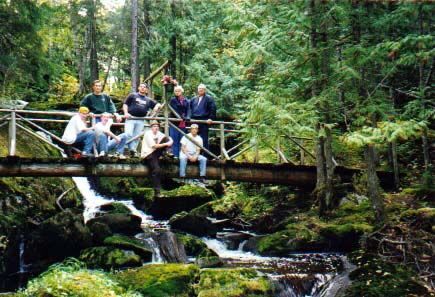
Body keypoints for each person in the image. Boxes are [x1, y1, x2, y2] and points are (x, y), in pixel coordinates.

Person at [123, 82, 161, 157]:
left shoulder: (148, 99)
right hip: (131, 118)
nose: (143, 88)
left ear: (146, 90)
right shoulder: (132, 95)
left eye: (144, 87)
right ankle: (124, 149)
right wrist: (126, 113)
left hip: (141, 120)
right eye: (141, 86)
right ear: (138, 88)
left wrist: (156, 106)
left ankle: (133, 151)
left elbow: (158, 104)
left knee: (136, 136)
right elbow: (125, 104)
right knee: (128, 134)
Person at [141, 121, 173, 197]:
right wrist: (166, 144)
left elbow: (169, 140)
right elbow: (154, 146)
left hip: (155, 153)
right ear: (151, 127)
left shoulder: (159, 134)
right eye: (154, 126)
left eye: (157, 126)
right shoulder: (148, 134)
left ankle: (166, 154)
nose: (156, 127)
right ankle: (157, 191)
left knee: (165, 139)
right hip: (148, 154)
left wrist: (170, 141)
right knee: (157, 170)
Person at [189, 83, 216, 152]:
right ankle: (192, 153)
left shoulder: (209, 98)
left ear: (205, 90)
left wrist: (211, 118)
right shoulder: (193, 99)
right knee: (193, 138)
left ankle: (206, 155)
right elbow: (189, 108)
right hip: (194, 121)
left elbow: (213, 109)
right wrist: (189, 117)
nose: (200, 90)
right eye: (199, 89)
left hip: (204, 121)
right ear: (197, 90)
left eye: (202, 89)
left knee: (204, 139)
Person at [169, 85, 190, 158]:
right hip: (174, 122)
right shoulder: (173, 100)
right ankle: (175, 156)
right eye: (176, 91)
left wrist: (188, 117)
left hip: (182, 123)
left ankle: (182, 155)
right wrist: (182, 116)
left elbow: (189, 110)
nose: (177, 92)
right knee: (174, 139)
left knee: (182, 140)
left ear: (182, 91)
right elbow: (175, 109)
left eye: (178, 91)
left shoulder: (187, 100)